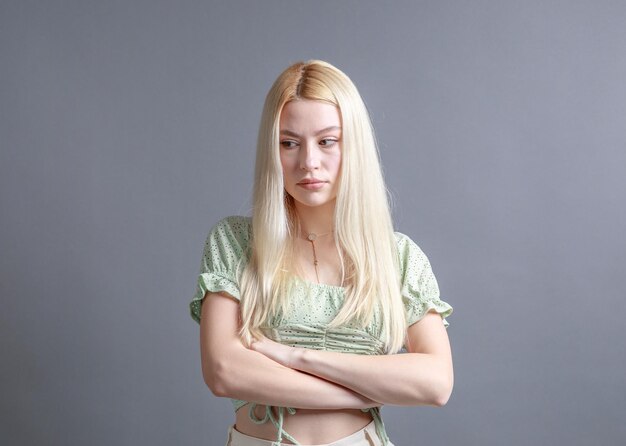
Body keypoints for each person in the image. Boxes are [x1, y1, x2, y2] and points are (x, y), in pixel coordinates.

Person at [189, 60, 453, 446]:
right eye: (289, 143)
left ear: (354, 145)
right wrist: (366, 392)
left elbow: (435, 382)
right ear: (271, 149)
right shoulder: (234, 241)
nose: (308, 161)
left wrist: (298, 357)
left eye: (327, 141)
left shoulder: (398, 256)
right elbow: (223, 371)